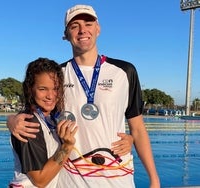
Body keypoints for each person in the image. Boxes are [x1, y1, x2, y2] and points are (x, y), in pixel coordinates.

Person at [8, 4, 160, 188]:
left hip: (118, 178)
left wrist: (154, 178)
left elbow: (137, 128)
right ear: (66, 35)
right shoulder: (58, 76)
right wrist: (12, 119)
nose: (82, 30)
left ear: (98, 28)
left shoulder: (124, 72)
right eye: (74, 26)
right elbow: (36, 109)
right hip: (71, 180)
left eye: (88, 23)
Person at [8, 57, 78, 188]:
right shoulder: (28, 124)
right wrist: (67, 146)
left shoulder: (50, 118)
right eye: (42, 89)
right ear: (30, 89)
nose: (50, 96)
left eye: (55, 88)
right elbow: (40, 180)